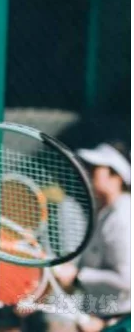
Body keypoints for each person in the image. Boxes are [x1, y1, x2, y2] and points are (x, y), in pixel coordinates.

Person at [49, 141, 131, 332]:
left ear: (116, 176)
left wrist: (78, 276)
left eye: (95, 168)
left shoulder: (122, 216)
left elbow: (128, 280)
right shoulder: (107, 213)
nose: (87, 172)